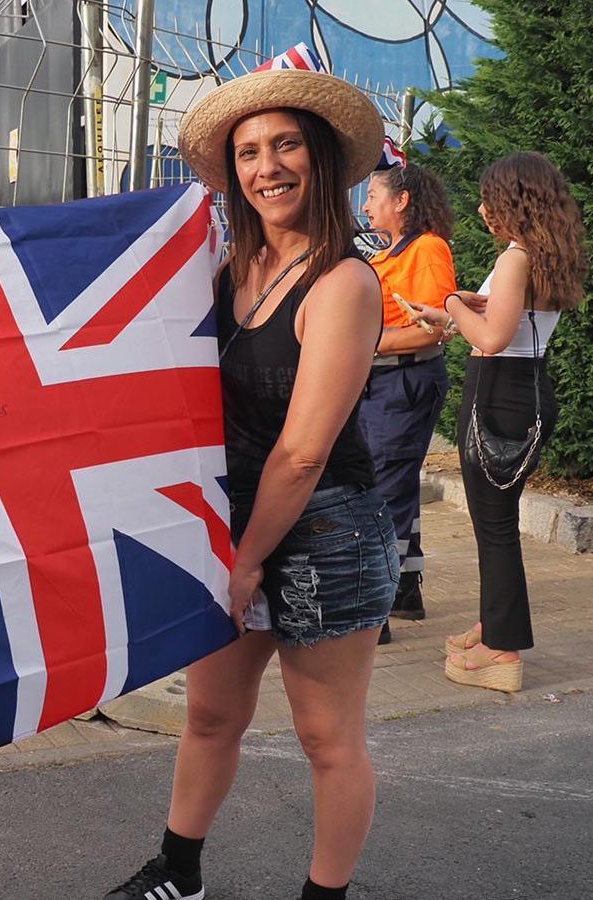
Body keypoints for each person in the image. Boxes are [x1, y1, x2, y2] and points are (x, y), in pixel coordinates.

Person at [103, 57, 396, 900]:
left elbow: (303, 452)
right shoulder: (230, 270)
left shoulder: (343, 284)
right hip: (236, 527)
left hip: (326, 532)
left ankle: (323, 895)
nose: (266, 167)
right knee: (211, 715)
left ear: (325, 160)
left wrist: (244, 559)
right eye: (248, 152)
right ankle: (180, 873)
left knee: (326, 739)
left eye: (286, 146)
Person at [410, 151, 587, 694]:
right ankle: (497, 625)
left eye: (491, 197)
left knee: (494, 528)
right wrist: (462, 310)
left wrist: (447, 302)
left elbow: (490, 338)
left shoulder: (516, 257)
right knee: (498, 523)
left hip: (498, 396)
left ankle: (501, 649)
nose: (484, 208)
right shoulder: (547, 254)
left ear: (515, 200)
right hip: (528, 390)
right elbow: (509, 320)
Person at [358, 162, 457, 643]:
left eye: (374, 194)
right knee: (392, 485)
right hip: (385, 384)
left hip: (404, 382)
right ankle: (402, 591)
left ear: (402, 201)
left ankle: (373, 608)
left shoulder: (428, 249)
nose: (366, 204)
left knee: (384, 491)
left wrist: (363, 340)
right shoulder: (392, 253)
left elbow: (432, 326)